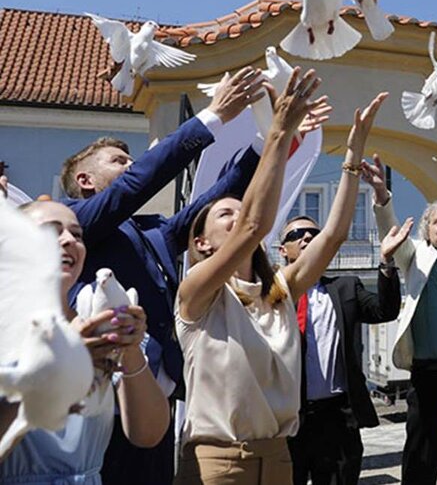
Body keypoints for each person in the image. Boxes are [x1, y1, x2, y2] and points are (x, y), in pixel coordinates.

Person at [174, 70, 384, 485]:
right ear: (201, 242)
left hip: (279, 459)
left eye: (240, 209)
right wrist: (279, 133)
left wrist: (352, 156)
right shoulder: (197, 293)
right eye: (225, 213)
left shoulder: (280, 291)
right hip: (218, 463)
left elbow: (333, 235)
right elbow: (254, 225)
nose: (238, 216)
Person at [61, 67, 266, 484]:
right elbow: (137, 184)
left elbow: (215, 198)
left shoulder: (151, 231)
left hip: (158, 400)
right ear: (85, 180)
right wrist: (213, 117)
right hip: (107, 405)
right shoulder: (78, 221)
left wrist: (268, 139)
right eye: (119, 161)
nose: (132, 165)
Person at [1, 200, 169, 484]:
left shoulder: (95, 331)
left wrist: (130, 352)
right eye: (52, 231)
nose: (69, 240)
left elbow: (147, 434)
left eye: (77, 234)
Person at [279, 187, 405, 485]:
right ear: (283, 250)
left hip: (337, 417)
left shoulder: (346, 287)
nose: (307, 237)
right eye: (296, 234)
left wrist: (387, 262)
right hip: (289, 418)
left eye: (314, 233)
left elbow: (385, 311)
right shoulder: (272, 293)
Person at [369, 154, 437, 485]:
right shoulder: (415, 256)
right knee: (420, 466)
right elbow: (391, 235)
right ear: (427, 231)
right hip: (428, 380)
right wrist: (382, 195)